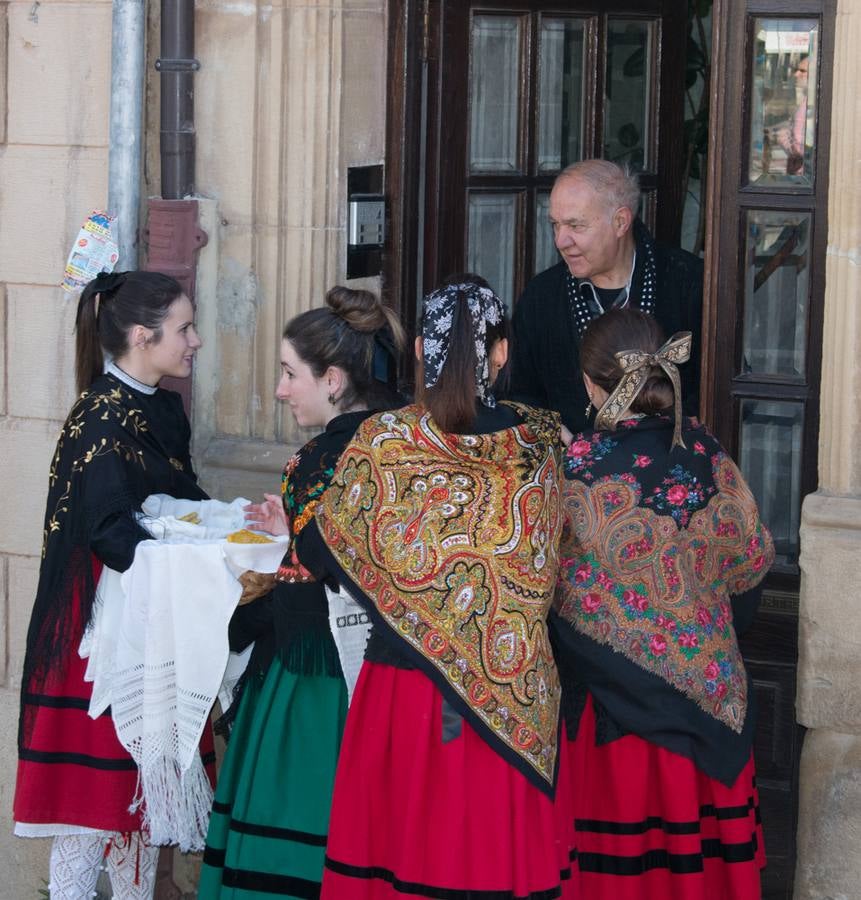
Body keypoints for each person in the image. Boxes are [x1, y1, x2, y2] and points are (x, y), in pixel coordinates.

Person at [298, 277, 574, 900]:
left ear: (422, 349)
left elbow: (322, 549)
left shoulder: (384, 446)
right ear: (501, 354)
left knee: (400, 867)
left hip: (408, 693)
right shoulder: (542, 450)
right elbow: (552, 567)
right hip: (512, 702)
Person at [553, 308, 774, 899]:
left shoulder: (573, 472)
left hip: (616, 731)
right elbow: (751, 566)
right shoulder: (707, 450)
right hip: (710, 706)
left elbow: (547, 601)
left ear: (590, 384)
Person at [198, 286, 406, 899]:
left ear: (334, 379)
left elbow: (328, 562)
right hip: (384, 674)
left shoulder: (318, 457)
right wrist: (296, 528)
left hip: (315, 681)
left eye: (291, 374)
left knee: (296, 833)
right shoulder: (397, 438)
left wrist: (296, 535)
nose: (283, 390)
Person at [13, 271, 213, 899]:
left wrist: (229, 527)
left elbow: (179, 499)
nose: (195, 341)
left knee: (134, 820)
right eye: (183, 328)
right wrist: (205, 560)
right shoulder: (100, 419)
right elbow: (114, 539)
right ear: (139, 335)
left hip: (142, 624)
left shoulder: (158, 405)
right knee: (86, 819)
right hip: (97, 641)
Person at [510, 159, 703, 432]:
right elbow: (520, 393)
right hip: (570, 468)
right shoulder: (541, 297)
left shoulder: (688, 283)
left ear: (621, 222)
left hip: (667, 465)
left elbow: (715, 388)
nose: (560, 241)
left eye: (575, 226)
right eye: (556, 224)